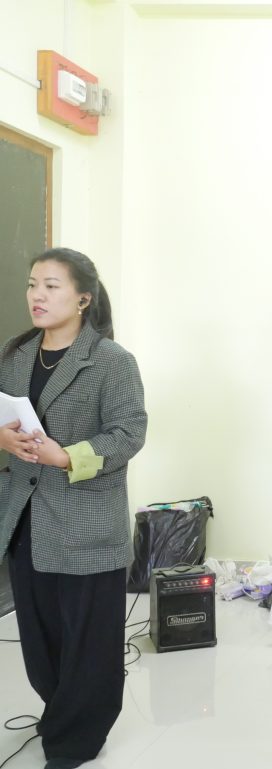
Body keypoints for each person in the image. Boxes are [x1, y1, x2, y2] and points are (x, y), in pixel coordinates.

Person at [0, 248, 147, 769]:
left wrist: (66, 456)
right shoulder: (16, 355)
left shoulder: (112, 361)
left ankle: (77, 739)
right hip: (25, 518)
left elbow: (129, 433)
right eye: (32, 284)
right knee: (40, 636)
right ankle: (60, 711)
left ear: (83, 298)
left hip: (85, 523)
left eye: (51, 286)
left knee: (89, 640)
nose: (37, 296)